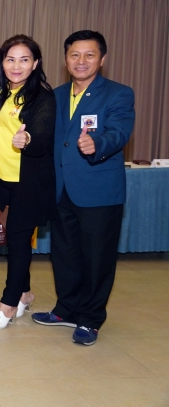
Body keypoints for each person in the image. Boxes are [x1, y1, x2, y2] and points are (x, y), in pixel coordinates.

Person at [32, 30, 135, 346]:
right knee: (64, 254)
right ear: (65, 60)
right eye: (74, 54)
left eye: (89, 55)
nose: (81, 61)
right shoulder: (56, 95)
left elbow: (119, 132)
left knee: (97, 258)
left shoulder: (118, 93)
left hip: (98, 190)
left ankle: (90, 319)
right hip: (62, 190)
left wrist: (97, 143)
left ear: (102, 59)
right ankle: (66, 309)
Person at [0, 34, 55, 329]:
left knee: (17, 240)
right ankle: (25, 293)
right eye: (10, 59)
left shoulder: (42, 97)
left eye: (24, 60)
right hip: (0, 179)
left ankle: (9, 303)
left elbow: (41, 139)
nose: (16, 66)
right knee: (13, 240)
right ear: (2, 63)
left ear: (35, 63)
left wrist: (26, 139)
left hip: (27, 181)